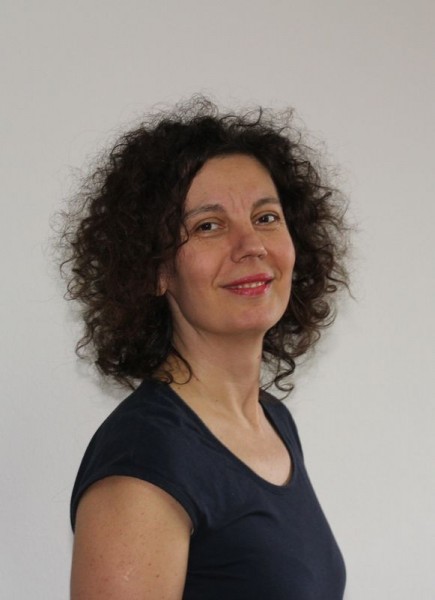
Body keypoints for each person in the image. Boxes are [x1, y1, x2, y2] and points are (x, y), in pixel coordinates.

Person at [61, 97, 349, 599]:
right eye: (208, 226)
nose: (251, 245)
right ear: (155, 269)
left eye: (266, 217)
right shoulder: (145, 460)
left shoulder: (273, 422)